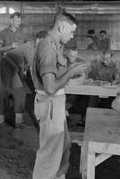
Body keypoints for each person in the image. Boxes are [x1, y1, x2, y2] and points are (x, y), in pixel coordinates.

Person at [32, 12, 87, 179]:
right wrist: (72, 72)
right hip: (50, 103)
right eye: (71, 32)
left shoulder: (56, 46)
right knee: (49, 153)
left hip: (56, 104)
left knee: (63, 146)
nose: (72, 36)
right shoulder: (48, 47)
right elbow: (49, 88)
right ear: (61, 27)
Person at [0, 31, 48, 129]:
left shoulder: (37, 48)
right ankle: (0, 119)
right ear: (39, 39)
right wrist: (39, 87)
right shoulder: (30, 47)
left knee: (20, 93)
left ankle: (19, 122)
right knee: (2, 91)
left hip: (16, 68)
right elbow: (33, 70)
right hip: (6, 65)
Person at [0, 12, 27, 126]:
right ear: (11, 20)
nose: (19, 23)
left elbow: (25, 48)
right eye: (17, 20)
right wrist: (11, 46)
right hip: (5, 64)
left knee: (20, 91)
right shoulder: (3, 33)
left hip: (17, 66)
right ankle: (0, 117)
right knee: (1, 91)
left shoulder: (21, 33)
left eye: (20, 21)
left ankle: (18, 120)